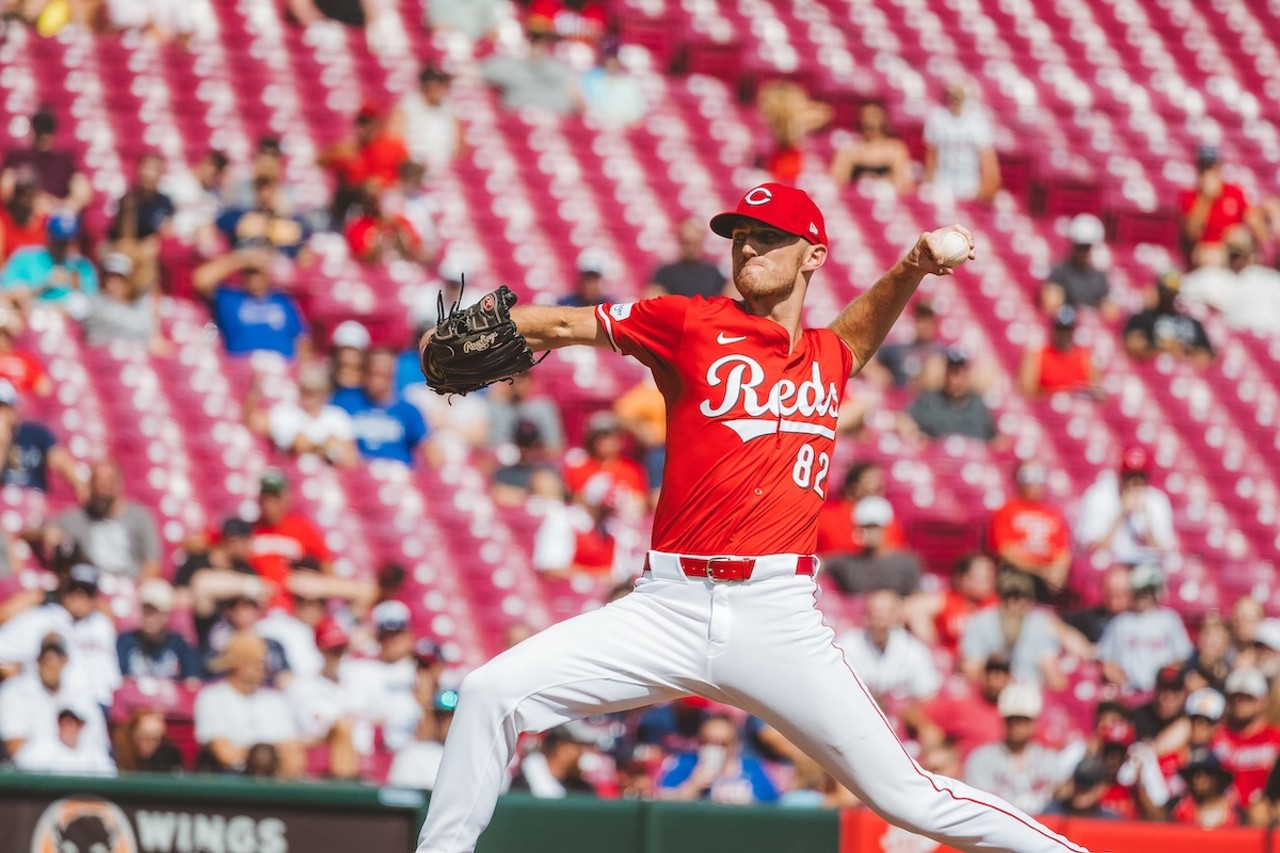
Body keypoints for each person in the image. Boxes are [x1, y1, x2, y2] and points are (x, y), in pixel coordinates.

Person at [411, 182, 1091, 853]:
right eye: (740, 238)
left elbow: (861, 327)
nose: (749, 248)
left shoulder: (829, 357)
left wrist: (913, 263)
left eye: (769, 237)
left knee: (907, 797)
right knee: (487, 692)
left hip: (778, 615)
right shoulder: (688, 322)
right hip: (666, 608)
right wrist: (474, 329)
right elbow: (564, 323)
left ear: (812, 255)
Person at [0, 565, 121, 708]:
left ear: (95, 597)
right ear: (63, 591)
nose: (80, 597)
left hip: (101, 705)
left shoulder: (102, 624)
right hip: (55, 705)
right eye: (74, 590)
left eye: (87, 592)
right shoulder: (41, 619)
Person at [194, 631, 303, 777]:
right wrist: (268, 752)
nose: (263, 669)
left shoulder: (275, 700)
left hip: (276, 782)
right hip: (232, 782)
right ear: (238, 665)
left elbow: (294, 755)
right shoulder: (212, 697)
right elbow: (225, 755)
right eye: (257, 663)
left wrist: (246, 751)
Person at [0, 632, 109, 758]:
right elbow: (16, 749)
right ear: (38, 659)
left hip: (79, 772)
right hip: (35, 774)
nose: (52, 662)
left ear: (65, 660)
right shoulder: (15, 691)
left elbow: (100, 748)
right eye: (46, 656)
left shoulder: (83, 697)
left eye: (58, 656)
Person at [50, 458, 162, 580]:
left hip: (131, 583)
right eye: (97, 482)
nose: (102, 488)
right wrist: (48, 535)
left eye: (109, 482)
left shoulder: (141, 517)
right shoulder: (75, 518)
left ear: (120, 484)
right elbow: (40, 528)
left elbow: (152, 564)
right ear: (89, 485)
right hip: (90, 585)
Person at [963, 684, 1064, 816]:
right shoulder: (981, 759)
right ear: (1004, 720)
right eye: (1012, 719)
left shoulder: (1050, 760)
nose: (1017, 725)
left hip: (1040, 828)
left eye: (1023, 720)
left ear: (1034, 722)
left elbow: (1058, 803)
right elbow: (979, 808)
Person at [960, 570, 1064, 690]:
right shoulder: (980, 621)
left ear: (1029, 600)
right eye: (1008, 596)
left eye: (1021, 596)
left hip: (1029, 695)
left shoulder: (1040, 623)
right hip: (991, 693)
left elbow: (1051, 670)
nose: (1013, 603)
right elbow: (971, 668)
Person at [836, 589, 940, 707]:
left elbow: (927, 695)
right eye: (875, 612)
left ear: (896, 616)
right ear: (866, 615)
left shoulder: (913, 649)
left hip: (902, 718)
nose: (880, 619)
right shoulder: (847, 645)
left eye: (886, 613)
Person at [1076, 446, 1176, 566]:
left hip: (1143, 565)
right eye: (1129, 476)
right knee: (1114, 576)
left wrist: (1146, 516)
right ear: (1120, 476)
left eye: (1140, 477)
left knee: (1151, 576)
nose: (1134, 483)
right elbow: (1093, 548)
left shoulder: (1156, 501)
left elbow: (1159, 551)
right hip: (1108, 565)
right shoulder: (1099, 496)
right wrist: (1121, 514)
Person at [1097, 564, 1192, 692]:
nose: (1143, 596)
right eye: (1139, 591)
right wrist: (1119, 679)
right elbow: (1106, 658)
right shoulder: (1121, 622)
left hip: (1160, 692)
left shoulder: (1169, 620)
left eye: (1148, 591)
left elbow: (1182, 656)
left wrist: (1164, 679)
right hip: (1128, 691)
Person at [285, 618, 360, 779]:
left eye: (341, 649)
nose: (338, 655)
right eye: (333, 650)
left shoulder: (358, 681)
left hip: (360, 758)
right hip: (319, 764)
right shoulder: (301, 687)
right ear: (320, 649)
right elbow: (297, 736)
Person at [988, 460, 1071, 601]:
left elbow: (1063, 553)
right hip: (1019, 573)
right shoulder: (1006, 511)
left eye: (1039, 476)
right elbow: (1006, 552)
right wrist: (1041, 571)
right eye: (1028, 476)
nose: (1034, 482)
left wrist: (1057, 572)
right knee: (1016, 584)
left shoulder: (1054, 513)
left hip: (1049, 577)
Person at [332, 348, 431, 465]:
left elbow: (428, 449)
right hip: (357, 471)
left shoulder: (408, 410)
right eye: (372, 373)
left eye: (382, 375)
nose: (376, 381)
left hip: (397, 472)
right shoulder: (346, 400)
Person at [207, 249, 309, 360]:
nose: (254, 280)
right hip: (242, 368)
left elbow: (301, 340)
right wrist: (242, 260)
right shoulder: (229, 299)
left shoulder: (283, 300)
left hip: (281, 366)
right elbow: (203, 281)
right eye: (250, 274)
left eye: (259, 274)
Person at [906, 654, 1012, 759]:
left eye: (1002, 675)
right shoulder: (963, 705)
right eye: (992, 674)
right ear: (983, 676)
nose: (996, 681)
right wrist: (930, 731)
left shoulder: (1017, 713)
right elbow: (912, 713)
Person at [656, 713, 778, 804]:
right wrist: (694, 785)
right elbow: (663, 803)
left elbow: (771, 804)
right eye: (708, 742)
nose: (715, 749)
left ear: (735, 745)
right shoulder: (686, 764)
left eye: (723, 744)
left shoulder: (751, 768)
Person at [1180, 146, 1266, 268]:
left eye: (1212, 167)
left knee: (1240, 237)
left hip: (1233, 249)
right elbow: (1191, 233)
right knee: (1210, 256)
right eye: (1205, 168)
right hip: (1209, 250)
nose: (1209, 172)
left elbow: (1255, 225)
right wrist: (1206, 199)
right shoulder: (1190, 196)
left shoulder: (1234, 192)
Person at [259, 362, 358, 467]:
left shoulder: (337, 416)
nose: (311, 398)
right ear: (300, 390)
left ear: (325, 393)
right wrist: (325, 447)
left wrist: (315, 447)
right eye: (307, 391)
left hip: (329, 477)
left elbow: (351, 460)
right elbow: (298, 445)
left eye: (316, 392)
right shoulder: (286, 412)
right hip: (293, 474)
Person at [1211, 667, 1280, 818]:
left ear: (1262, 700)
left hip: (1264, 815)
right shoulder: (1216, 734)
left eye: (1247, 698)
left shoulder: (1275, 737)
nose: (1240, 703)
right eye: (1235, 697)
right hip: (1224, 814)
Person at [0, 210, 98, 312]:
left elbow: (90, 305)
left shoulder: (83, 266)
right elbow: (7, 294)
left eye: (70, 242)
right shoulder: (25, 257)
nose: (65, 247)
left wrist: (77, 287)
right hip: (30, 317)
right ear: (48, 237)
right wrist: (44, 284)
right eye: (60, 242)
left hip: (69, 321)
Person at [824, 496, 923, 597]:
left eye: (873, 527)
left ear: (887, 527)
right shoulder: (845, 563)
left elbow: (915, 599)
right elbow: (817, 565)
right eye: (863, 527)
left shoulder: (906, 562)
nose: (867, 532)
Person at [922, 80, 1000, 203]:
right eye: (952, 95)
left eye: (959, 96)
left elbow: (987, 158)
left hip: (970, 184)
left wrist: (987, 187)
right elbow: (932, 155)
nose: (955, 100)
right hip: (942, 183)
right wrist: (928, 182)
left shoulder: (978, 120)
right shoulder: (937, 118)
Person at [0, 109, 92, 214]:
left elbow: (82, 192)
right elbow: (5, 189)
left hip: (56, 219)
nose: (43, 138)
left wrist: (58, 207)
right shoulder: (17, 156)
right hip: (22, 217)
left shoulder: (64, 160)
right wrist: (32, 203)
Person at [0, 379, 83, 495]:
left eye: (2, 408)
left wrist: (79, 483)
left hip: (34, 500)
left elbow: (60, 460)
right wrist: (2, 442)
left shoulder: (35, 433)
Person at [106, 151, 174, 289]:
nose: (148, 173)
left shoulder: (165, 202)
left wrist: (153, 243)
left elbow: (167, 232)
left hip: (151, 249)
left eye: (154, 169)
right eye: (146, 168)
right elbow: (125, 237)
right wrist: (141, 248)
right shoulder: (128, 199)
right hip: (125, 246)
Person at [116, 578, 202, 685]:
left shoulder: (178, 643)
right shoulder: (126, 641)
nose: (149, 618)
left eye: (155, 612)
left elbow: (192, 681)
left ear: (167, 615)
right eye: (146, 611)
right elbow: (121, 681)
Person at [481, 24, 581, 115]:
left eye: (544, 39)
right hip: (518, 119)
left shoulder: (561, 69)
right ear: (525, 38)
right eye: (534, 38)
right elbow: (474, 74)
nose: (538, 43)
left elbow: (579, 102)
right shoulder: (505, 63)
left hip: (553, 118)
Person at [902, 348, 997, 442]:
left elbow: (994, 440)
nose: (954, 380)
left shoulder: (978, 404)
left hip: (973, 455)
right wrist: (914, 434)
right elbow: (903, 420)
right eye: (951, 372)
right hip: (937, 456)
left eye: (959, 373)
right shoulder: (929, 401)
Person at [1123, 271, 1214, 366]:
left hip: (1185, 374)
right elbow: (1132, 345)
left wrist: (1185, 350)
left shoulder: (1192, 323)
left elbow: (1207, 355)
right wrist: (1161, 348)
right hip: (1153, 372)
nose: (1169, 297)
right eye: (1165, 292)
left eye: (1173, 293)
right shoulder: (1143, 317)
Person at [1039, 214, 1116, 320]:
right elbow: (1051, 306)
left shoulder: (1099, 276)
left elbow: (1110, 313)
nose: (1083, 252)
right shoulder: (1060, 271)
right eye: (1080, 247)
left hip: (1091, 328)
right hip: (1066, 327)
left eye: (1087, 247)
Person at [830, 100, 914, 195]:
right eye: (864, 116)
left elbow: (904, 186)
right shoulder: (849, 149)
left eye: (873, 117)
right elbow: (837, 183)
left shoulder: (895, 149)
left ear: (883, 119)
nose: (868, 121)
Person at [12, 700, 117, 776]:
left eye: (72, 723)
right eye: (63, 722)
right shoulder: (40, 748)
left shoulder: (95, 753)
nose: (66, 727)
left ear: (81, 725)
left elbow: (110, 778)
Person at [390, 65, 462, 173]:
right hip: (414, 165)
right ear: (426, 85)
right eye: (437, 84)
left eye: (441, 84)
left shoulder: (449, 106)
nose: (440, 88)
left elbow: (458, 144)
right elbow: (393, 137)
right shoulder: (409, 103)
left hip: (443, 165)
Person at [1018, 305, 1099, 400]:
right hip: (1045, 412)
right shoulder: (1038, 355)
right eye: (1060, 328)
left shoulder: (1085, 357)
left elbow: (1098, 394)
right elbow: (1026, 392)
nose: (1063, 334)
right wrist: (1055, 394)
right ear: (1054, 329)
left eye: (1067, 329)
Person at [81, 252, 160, 348]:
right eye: (111, 276)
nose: (115, 281)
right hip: (102, 358)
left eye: (121, 277)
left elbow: (148, 332)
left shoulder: (137, 306)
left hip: (133, 358)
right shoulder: (94, 303)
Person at [868, 299, 947, 391]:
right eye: (921, 320)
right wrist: (877, 372)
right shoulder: (898, 349)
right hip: (899, 397)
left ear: (935, 324)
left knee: (935, 364)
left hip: (927, 398)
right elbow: (866, 356)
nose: (925, 325)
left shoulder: (941, 352)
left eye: (929, 321)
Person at [388, 687, 459, 790]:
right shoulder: (413, 755)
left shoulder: (472, 754)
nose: (446, 724)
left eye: (453, 717)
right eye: (440, 717)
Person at [511, 723, 600, 798]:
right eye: (579, 747)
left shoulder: (580, 788)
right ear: (561, 748)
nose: (582, 753)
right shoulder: (522, 784)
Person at [647, 218, 726, 300]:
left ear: (702, 241)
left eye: (695, 243)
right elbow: (653, 298)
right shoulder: (665, 273)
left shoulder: (713, 272)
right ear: (680, 241)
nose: (691, 248)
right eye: (687, 242)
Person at [1062, 564, 1133, 645]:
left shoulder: (1142, 620)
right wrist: (1076, 641)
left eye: (1119, 595)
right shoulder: (1093, 618)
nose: (1113, 602)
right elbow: (1054, 620)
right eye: (1109, 594)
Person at [581, 41, 647, 127]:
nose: (612, 65)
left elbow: (637, 113)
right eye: (609, 61)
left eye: (615, 61)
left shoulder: (629, 84)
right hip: (599, 123)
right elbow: (586, 107)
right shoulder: (592, 78)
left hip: (622, 125)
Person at [1169, 747, 1240, 827]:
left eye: (1204, 773)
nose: (1196, 779)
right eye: (1191, 774)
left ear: (1217, 777)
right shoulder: (1179, 811)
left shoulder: (1236, 812)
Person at [112, 708, 184, 773]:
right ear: (132, 736)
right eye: (145, 737)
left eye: (155, 739)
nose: (150, 744)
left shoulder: (167, 759)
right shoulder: (116, 760)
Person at [1133, 664, 1190, 742]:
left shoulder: (1189, 720)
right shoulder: (1139, 716)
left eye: (1173, 693)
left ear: (1183, 695)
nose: (1165, 699)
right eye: (1162, 690)